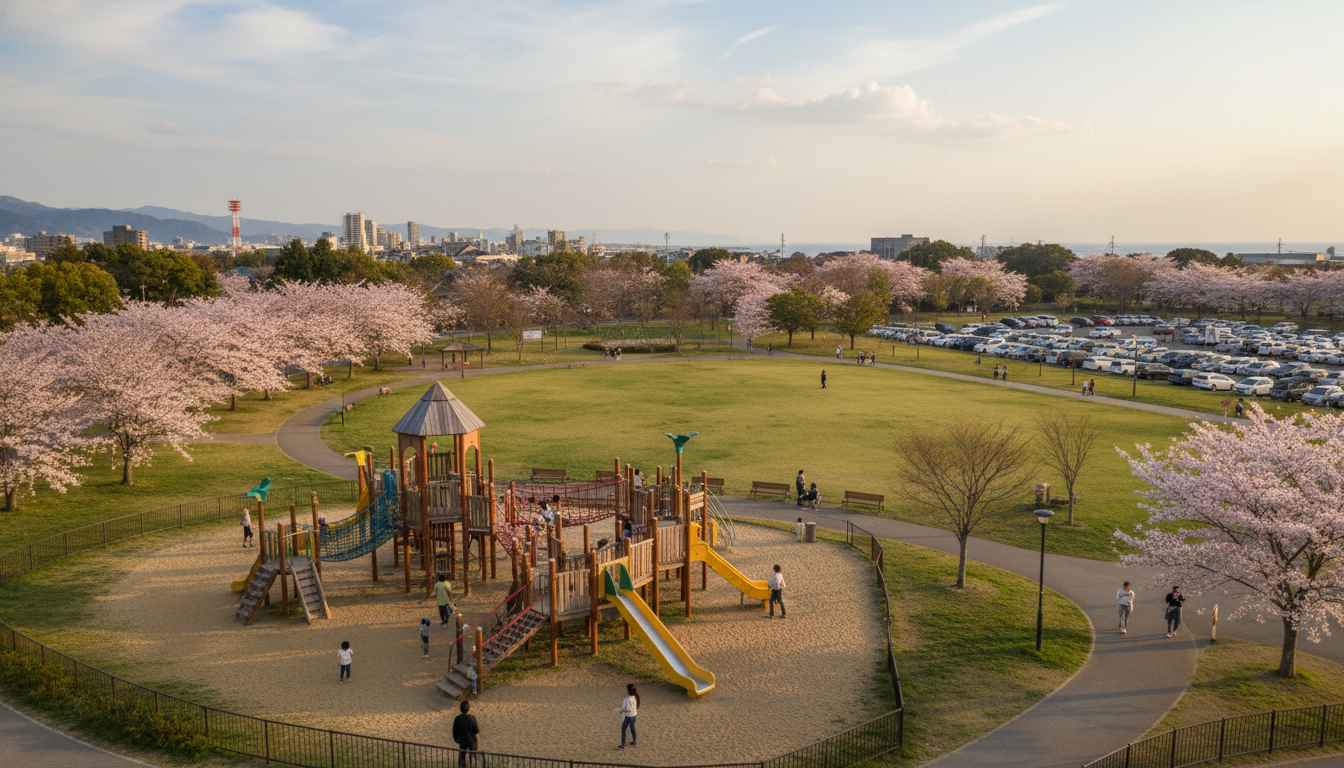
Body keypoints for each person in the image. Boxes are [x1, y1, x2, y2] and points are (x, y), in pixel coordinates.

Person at [452, 700, 480, 768]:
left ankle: (461, 766)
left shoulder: (457, 718)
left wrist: (457, 739)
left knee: (462, 755)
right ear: (469, 709)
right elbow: (476, 730)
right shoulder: (472, 718)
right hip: (471, 740)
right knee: (472, 756)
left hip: (462, 740)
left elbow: (454, 731)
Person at [616, 683, 639, 749]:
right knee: (632, 728)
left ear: (628, 691)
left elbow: (628, 709)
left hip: (629, 716)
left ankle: (623, 745)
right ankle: (634, 741)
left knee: (623, 729)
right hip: (634, 715)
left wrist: (621, 711)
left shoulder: (628, 699)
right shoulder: (635, 697)